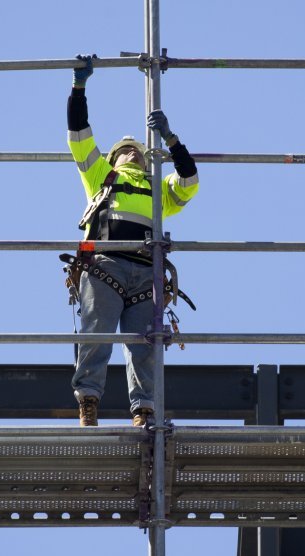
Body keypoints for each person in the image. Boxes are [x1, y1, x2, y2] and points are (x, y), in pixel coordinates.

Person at [66, 54, 199, 427]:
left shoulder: (159, 189)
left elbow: (189, 182)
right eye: (124, 149)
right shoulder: (101, 177)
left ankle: (144, 409)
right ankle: (88, 401)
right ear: (113, 158)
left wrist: (172, 140)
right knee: (96, 334)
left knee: (146, 347)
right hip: (105, 265)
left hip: (145, 273)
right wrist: (79, 87)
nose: (131, 150)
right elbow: (79, 135)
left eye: (137, 149)